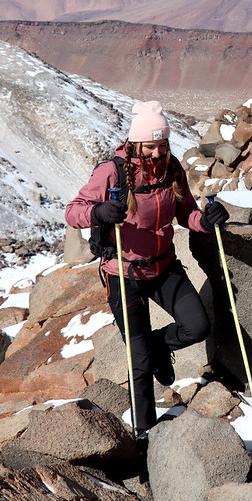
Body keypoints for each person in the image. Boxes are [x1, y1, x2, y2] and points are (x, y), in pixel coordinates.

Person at [65, 100, 228, 441]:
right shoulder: (112, 172)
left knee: (197, 327)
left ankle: (156, 346)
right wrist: (98, 214)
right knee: (138, 363)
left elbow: (187, 213)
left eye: (162, 144)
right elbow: (73, 211)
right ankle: (145, 436)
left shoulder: (172, 169)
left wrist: (206, 222)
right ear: (136, 142)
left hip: (165, 266)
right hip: (124, 275)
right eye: (151, 145)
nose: (157, 151)